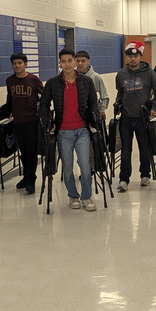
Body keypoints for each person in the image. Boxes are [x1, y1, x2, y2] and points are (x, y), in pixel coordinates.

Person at [39, 48, 100, 211]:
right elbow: (43, 104)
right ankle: (73, 196)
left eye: (69, 61)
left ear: (74, 61)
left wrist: (94, 117)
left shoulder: (86, 82)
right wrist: (47, 121)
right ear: (60, 63)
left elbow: (94, 102)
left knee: (85, 165)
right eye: (63, 61)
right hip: (63, 131)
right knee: (67, 167)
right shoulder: (53, 83)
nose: (67, 64)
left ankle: (86, 197)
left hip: (82, 130)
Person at [114, 40, 156, 192]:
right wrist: (117, 104)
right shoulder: (121, 74)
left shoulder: (149, 73)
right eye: (129, 56)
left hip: (143, 118)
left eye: (135, 56)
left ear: (140, 56)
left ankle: (145, 175)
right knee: (126, 149)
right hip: (126, 118)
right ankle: (124, 179)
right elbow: (120, 93)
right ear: (127, 57)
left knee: (144, 148)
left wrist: (154, 107)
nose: (132, 59)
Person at [5, 52, 43, 194]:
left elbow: (44, 95)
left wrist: (41, 110)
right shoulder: (9, 80)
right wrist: (9, 111)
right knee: (23, 152)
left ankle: (31, 180)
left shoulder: (33, 79)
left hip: (32, 121)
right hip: (18, 122)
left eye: (19, 63)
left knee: (31, 152)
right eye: (14, 63)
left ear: (25, 64)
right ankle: (26, 177)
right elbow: (10, 99)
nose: (17, 66)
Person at [75, 50, 109, 119]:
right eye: (77, 61)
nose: (80, 63)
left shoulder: (95, 77)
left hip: (91, 113)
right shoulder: (71, 76)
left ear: (88, 61)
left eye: (83, 61)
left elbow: (104, 96)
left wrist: (102, 110)